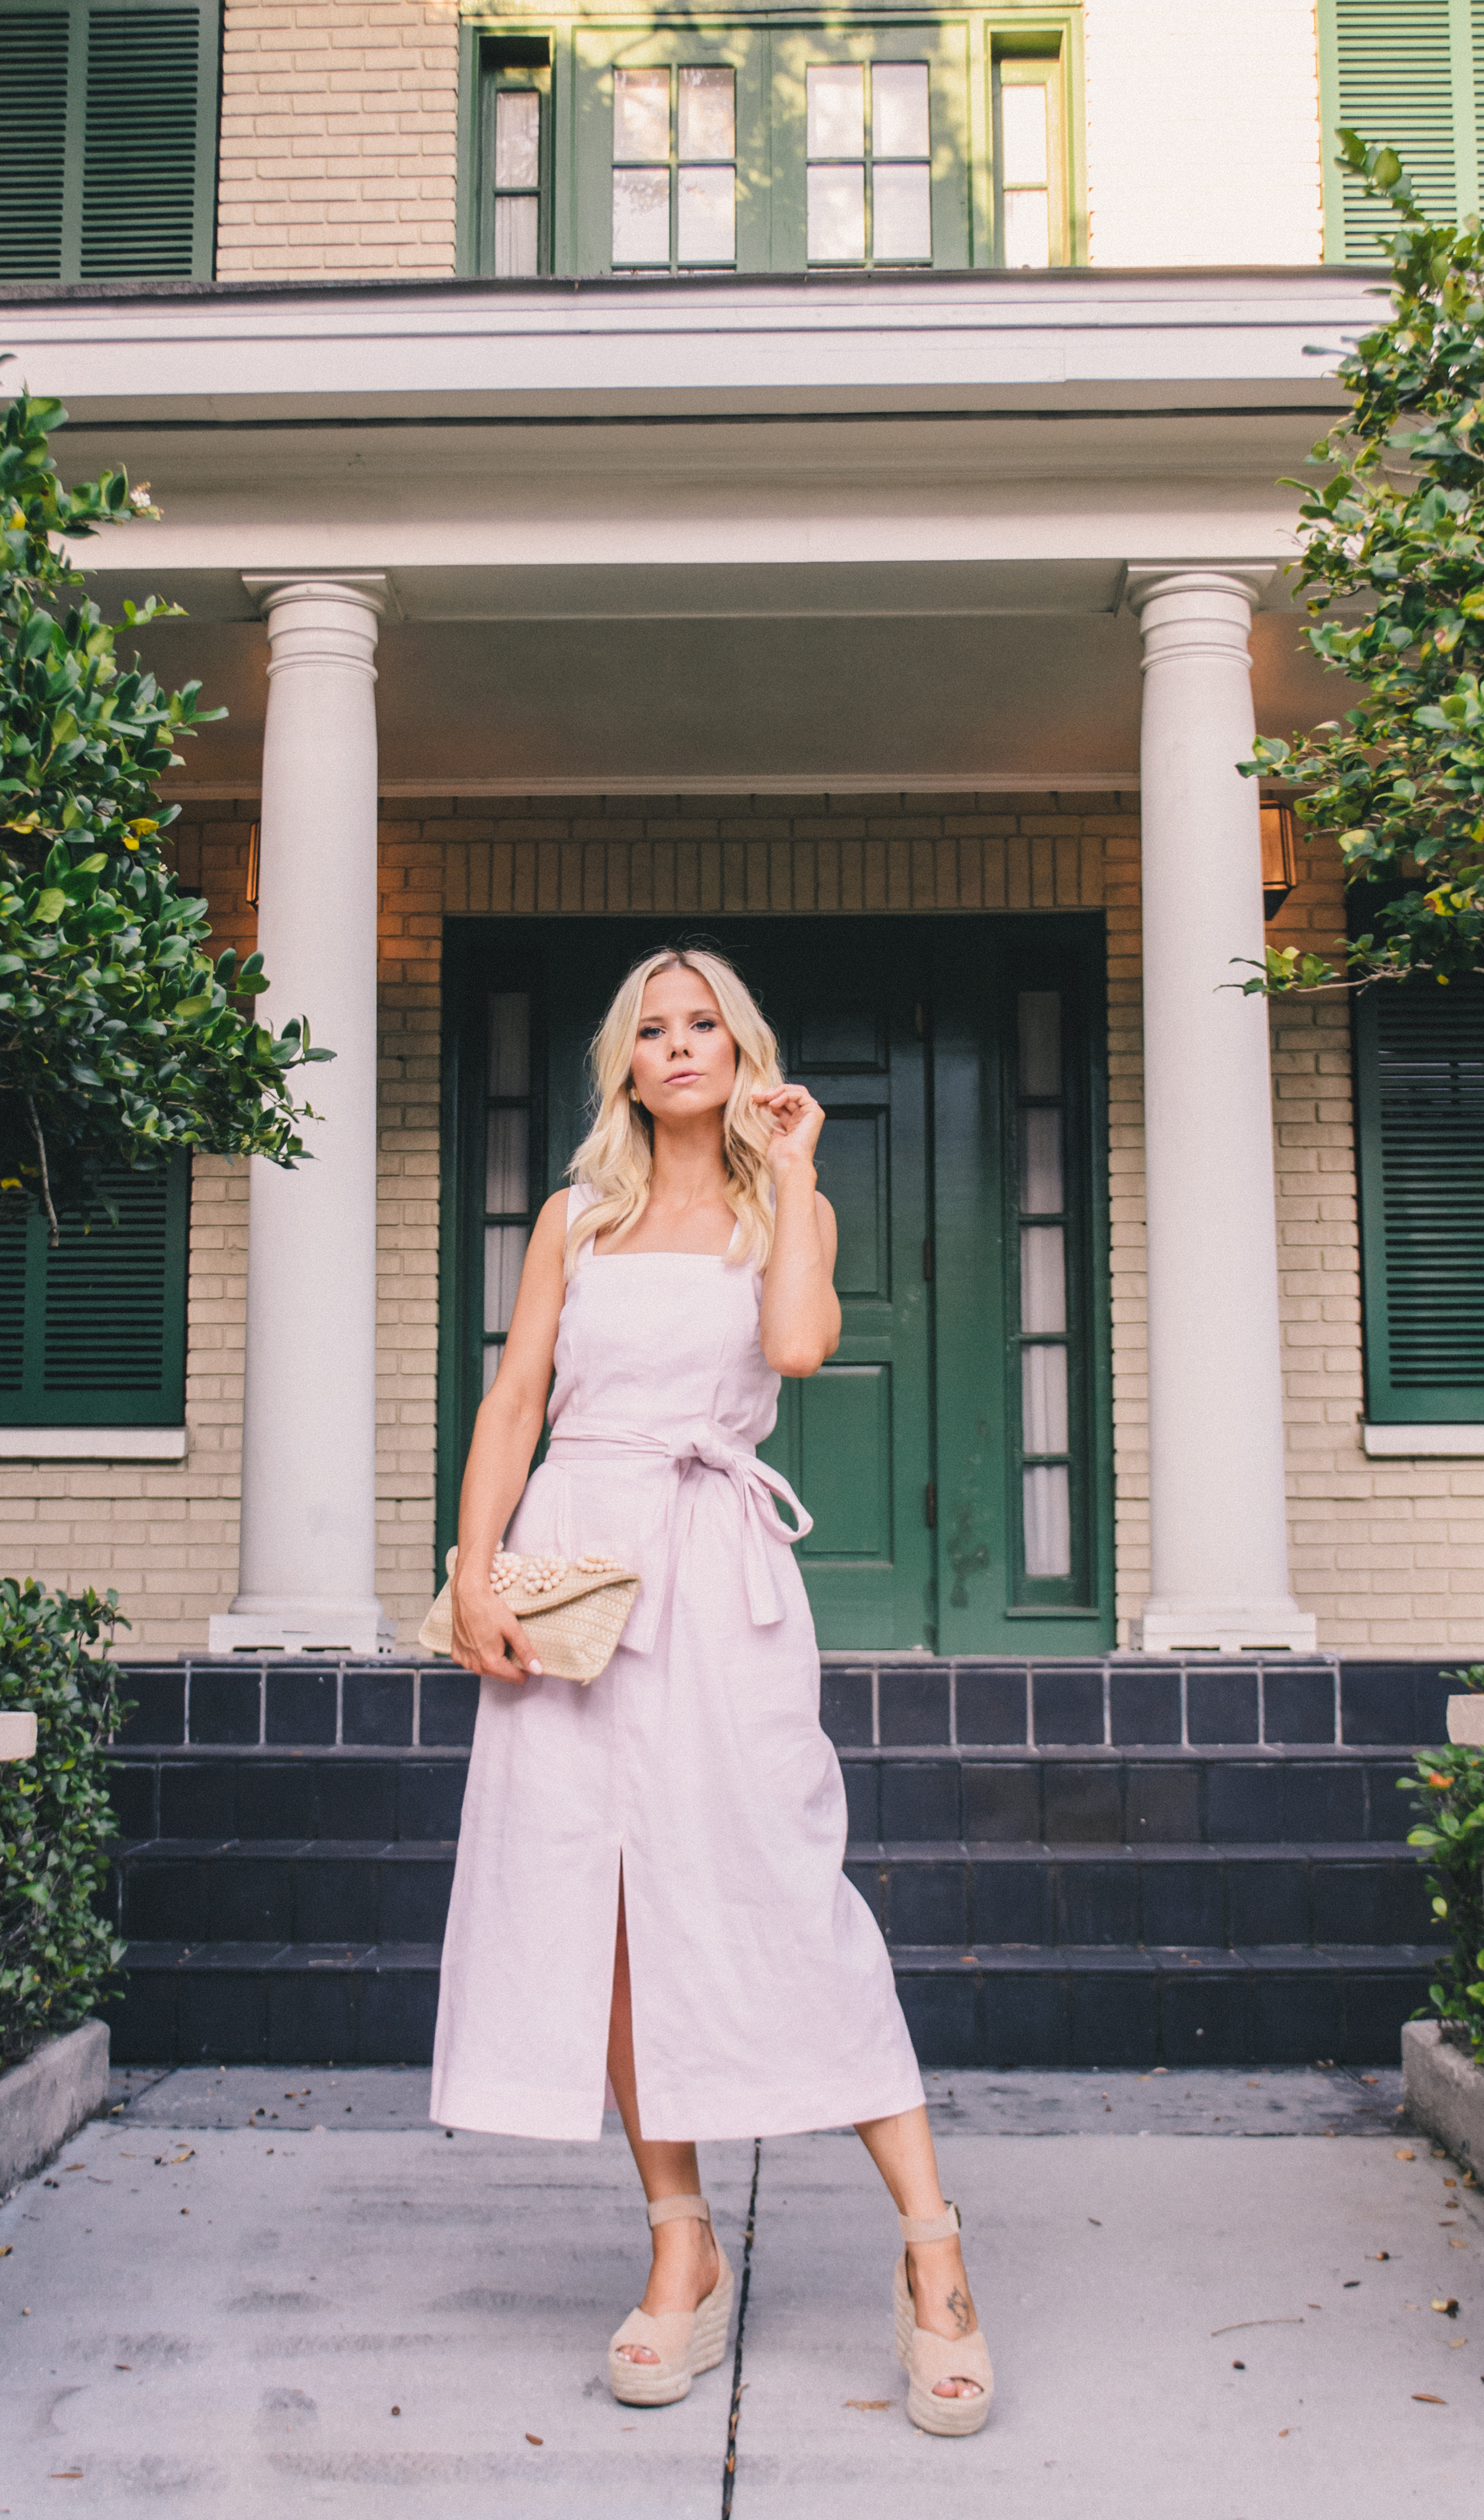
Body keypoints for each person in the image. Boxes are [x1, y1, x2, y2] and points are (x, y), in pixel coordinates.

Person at [428, 944, 993, 2436]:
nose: (679, 1048)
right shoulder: (576, 1218)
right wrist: (475, 1566)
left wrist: (798, 1169)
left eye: (707, 1028)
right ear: (624, 1063)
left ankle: (932, 2253)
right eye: (653, 1030)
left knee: (786, 1884)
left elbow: (800, 1346)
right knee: (606, 1899)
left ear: (744, 1057)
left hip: (716, 1565)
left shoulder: (776, 1205)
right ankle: (681, 2246)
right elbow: (511, 1402)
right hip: (572, 1570)